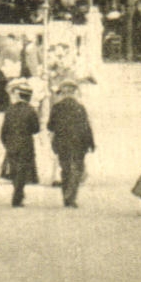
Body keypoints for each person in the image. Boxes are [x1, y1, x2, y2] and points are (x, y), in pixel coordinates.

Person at [47, 80, 96, 209]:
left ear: (62, 93)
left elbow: (50, 126)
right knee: (77, 169)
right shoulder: (80, 108)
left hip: (62, 143)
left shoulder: (56, 108)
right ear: (74, 93)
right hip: (79, 143)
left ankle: (66, 196)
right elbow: (86, 127)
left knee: (65, 169)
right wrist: (91, 143)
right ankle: (71, 197)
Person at [0, 80, 42, 207]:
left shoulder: (10, 109)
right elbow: (36, 129)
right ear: (29, 97)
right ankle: (17, 196)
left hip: (11, 144)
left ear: (19, 95)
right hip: (26, 145)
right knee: (22, 171)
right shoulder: (31, 110)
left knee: (14, 170)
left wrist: (6, 143)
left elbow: (4, 131)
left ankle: (18, 193)